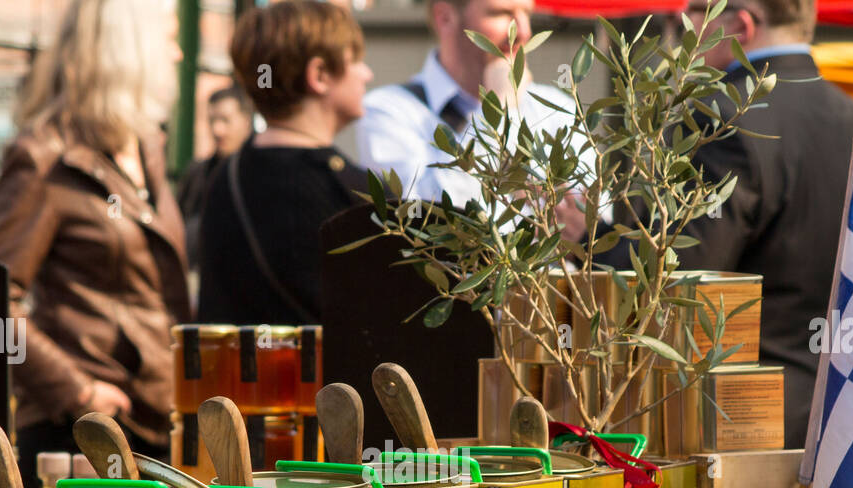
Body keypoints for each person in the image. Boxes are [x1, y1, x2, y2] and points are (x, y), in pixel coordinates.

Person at [0, 0, 189, 487]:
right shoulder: (46, 157)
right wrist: (78, 391)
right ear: (131, 48)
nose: (177, 53)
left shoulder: (146, 146)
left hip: (157, 425)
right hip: (77, 439)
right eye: (169, 37)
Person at [672, 0, 853, 448]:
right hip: (851, 420)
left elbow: (684, 278)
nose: (686, 26)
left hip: (740, 418)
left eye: (697, 11)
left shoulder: (722, 118)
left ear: (740, 24)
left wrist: (591, 239)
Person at [197, 0, 373, 325]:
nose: (366, 73)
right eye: (355, 60)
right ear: (319, 75)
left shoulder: (225, 176)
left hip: (236, 376)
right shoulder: (356, 193)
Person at [356, 0, 585, 232]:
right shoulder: (389, 111)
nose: (524, 31)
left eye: (527, 14)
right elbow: (426, 222)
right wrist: (499, 110)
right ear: (444, 17)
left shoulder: (556, 108)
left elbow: (591, 220)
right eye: (501, 13)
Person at [175, 85, 254, 267]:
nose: (217, 130)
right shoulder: (197, 172)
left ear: (246, 121)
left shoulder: (260, 173)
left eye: (226, 120)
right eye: (212, 121)